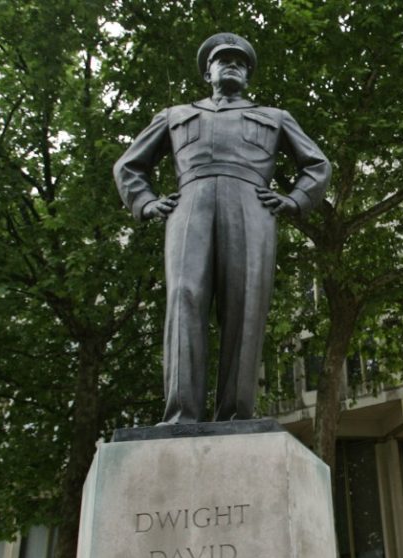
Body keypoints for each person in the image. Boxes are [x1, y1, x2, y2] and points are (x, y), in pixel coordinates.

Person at [114, 32, 331, 423]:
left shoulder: (275, 117)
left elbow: (317, 165)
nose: (231, 65)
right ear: (208, 71)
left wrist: (295, 199)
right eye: (223, 60)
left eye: (240, 62)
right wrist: (145, 202)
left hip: (252, 207)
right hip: (189, 206)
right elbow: (129, 166)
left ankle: (235, 414)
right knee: (183, 298)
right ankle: (181, 414)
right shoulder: (175, 115)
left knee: (245, 305)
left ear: (248, 74)